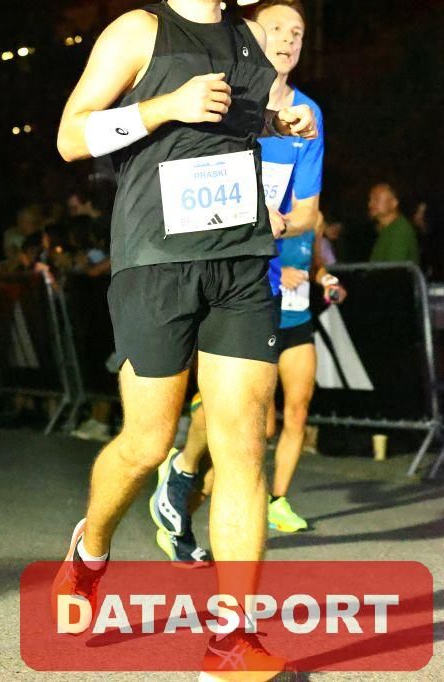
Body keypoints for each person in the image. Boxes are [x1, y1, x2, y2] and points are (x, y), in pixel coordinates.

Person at [51, 0, 317, 678]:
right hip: (156, 261)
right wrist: (164, 106)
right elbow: (71, 137)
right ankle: (90, 552)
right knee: (147, 444)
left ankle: (232, 640)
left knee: (242, 449)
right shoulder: (140, 30)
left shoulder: (248, 36)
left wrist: (277, 121)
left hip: (240, 260)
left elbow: (231, 121)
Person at [150, 0, 341, 567]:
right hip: (203, 264)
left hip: (264, 274)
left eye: (297, 32)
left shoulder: (308, 113)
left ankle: (187, 493)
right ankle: (181, 474)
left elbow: (307, 213)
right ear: (251, 33)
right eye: (275, 27)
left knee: (247, 417)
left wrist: (275, 221)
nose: (286, 39)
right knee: (192, 420)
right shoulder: (224, 88)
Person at [368, 183, 419, 265]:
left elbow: (393, 268)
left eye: (376, 199)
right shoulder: (385, 230)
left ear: (394, 203)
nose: (370, 204)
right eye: (370, 199)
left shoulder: (401, 229)